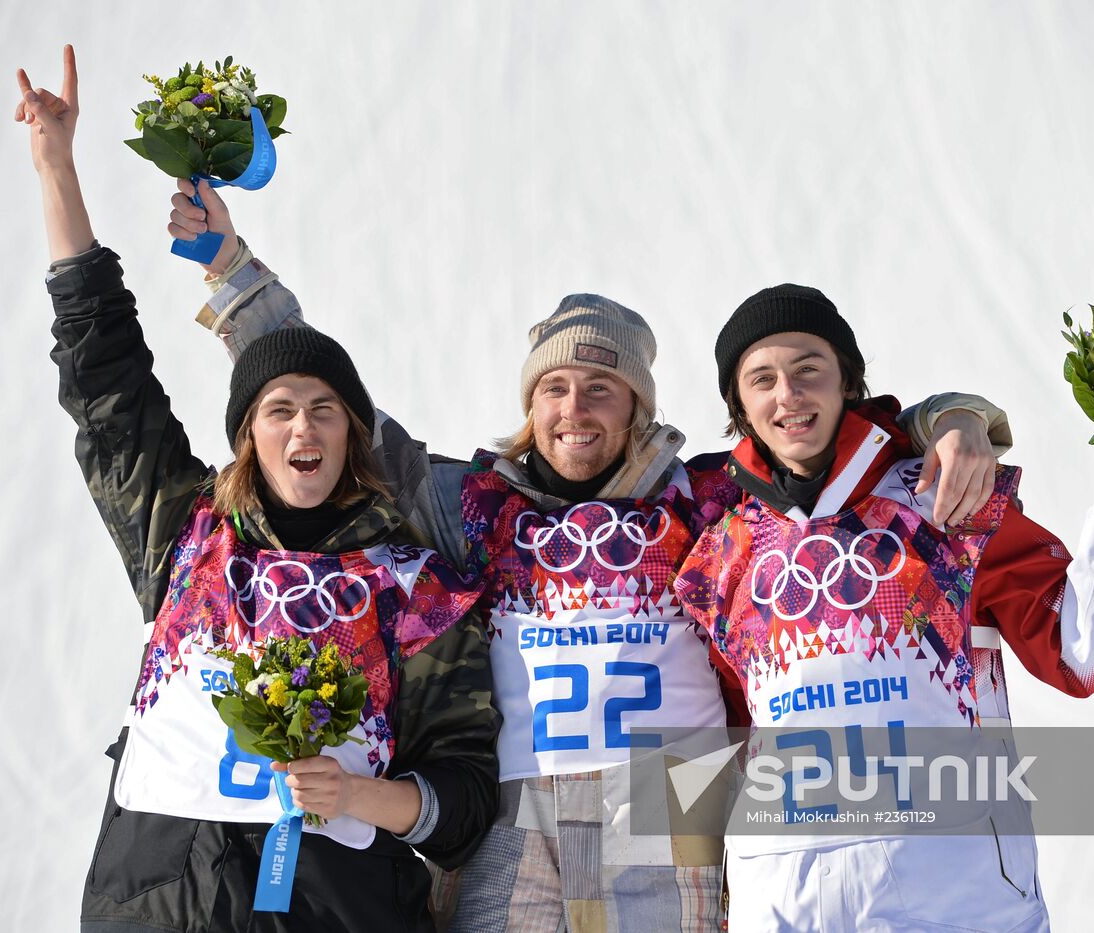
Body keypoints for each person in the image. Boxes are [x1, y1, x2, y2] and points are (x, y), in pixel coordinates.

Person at [163, 189, 1015, 931]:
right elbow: (337, 401)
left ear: (638, 405)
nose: (578, 408)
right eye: (555, 388)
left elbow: (823, 435)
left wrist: (956, 416)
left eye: (603, 388)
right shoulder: (471, 503)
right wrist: (234, 271)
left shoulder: (706, 496)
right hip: (513, 817)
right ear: (530, 406)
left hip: (665, 806)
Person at [16, 46, 499, 933]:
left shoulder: (415, 586)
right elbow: (104, 381)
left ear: (353, 432)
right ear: (249, 432)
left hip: (340, 908)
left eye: (325, 410)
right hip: (165, 900)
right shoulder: (186, 530)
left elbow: (463, 802)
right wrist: (57, 168)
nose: (304, 428)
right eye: (279, 409)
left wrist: (361, 794)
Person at [674, 285, 1094, 932]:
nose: (787, 395)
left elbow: (1079, 646)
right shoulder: (720, 541)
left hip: (957, 898)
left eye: (808, 370)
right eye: (761, 379)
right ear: (739, 406)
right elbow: (722, 733)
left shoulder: (939, 497)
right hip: (786, 901)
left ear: (847, 380)